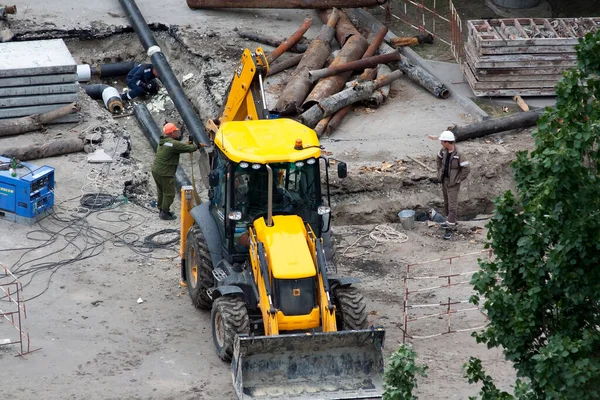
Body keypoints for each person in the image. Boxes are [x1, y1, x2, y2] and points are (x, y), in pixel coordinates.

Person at [151, 122, 198, 220]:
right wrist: (198, 146)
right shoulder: (174, 144)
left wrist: (184, 145)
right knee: (169, 193)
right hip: (165, 173)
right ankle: (165, 213)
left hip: (156, 170)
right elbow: (190, 148)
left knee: (161, 191)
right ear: (172, 133)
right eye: (176, 131)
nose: (177, 133)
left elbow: (175, 147)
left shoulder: (163, 142)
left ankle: (162, 209)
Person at [436, 130, 470, 240]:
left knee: (452, 205)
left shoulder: (459, 154)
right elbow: (438, 158)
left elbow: (466, 168)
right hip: (445, 180)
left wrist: (459, 179)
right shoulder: (444, 151)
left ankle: (450, 228)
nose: (441, 143)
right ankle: (449, 221)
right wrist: (439, 171)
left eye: (442, 141)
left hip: (453, 184)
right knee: (446, 202)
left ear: (447, 142)